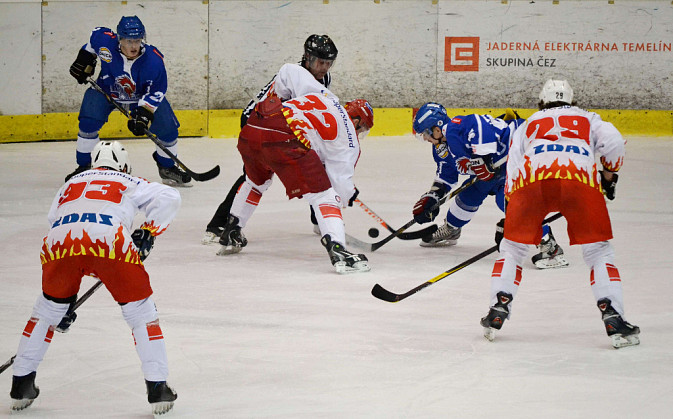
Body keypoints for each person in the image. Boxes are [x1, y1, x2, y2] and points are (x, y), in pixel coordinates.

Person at [9, 141, 181, 414]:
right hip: (109, 241)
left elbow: (55, 218)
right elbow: (170, 197)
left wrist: (64, 301)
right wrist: (148, 231)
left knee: (46, 312)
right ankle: (158, 387)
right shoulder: (127, 179)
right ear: (123, 166)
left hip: (59, 242)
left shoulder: (71, 183)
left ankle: (21, 383)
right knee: (141, 313)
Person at [480, 79, 640, 348]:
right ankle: (612, 314)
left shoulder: (529, 124)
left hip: (531, 182)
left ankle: (499, 305)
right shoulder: (588, 118)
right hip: (579, 180)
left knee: (512, 249)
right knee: (598, 252)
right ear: (572, 99)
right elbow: (613, 141)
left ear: (542, 100)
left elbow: (513, 163)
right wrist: (609, 176)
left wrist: (513, 205)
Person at [216, 92, 374, 274]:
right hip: (284, 138)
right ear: (356, 121)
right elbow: (340, 184)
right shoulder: (349, 138)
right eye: (362, 129)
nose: (359, 133)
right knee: (325, 196)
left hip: (254, 126)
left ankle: (231, 230)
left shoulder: (326, 99)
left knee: (255, 182)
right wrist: (348, 195)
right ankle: (339, 251)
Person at [202, 34, 339, 243]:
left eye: (329, 63)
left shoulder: (323, 78)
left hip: (282, 125)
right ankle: (219, 223)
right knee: (253, 177)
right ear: (308, 58)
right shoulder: (295, 74)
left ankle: (318, 219)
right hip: (256, 122)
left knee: (316, 167)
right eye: (321, 62)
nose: (324, 68)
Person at [411, 102, 568, 269]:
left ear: (437, 128)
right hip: (490, 176)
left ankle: (550, 247)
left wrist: (483, 158)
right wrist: (432, 198)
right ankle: (452, 228)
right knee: (468, 196)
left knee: (509, 202)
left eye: (426, 134)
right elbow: (446, 177)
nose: (426, 139)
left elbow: (480, 126)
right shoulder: (441, 149)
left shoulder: (456, 127)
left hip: (513, 163)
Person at [66, 15, 192, 187]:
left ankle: (167, 167)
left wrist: (144, 113)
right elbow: (93, 39)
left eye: (138, 40)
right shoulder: (105, 41)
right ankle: (85, 167)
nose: (134, 46)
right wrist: (85, 58)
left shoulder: (154, 61)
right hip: (106, 89)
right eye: (129, 41)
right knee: (88, 123)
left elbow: (157, 91)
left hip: (140, 97)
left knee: (168, 131)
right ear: (120, 40)